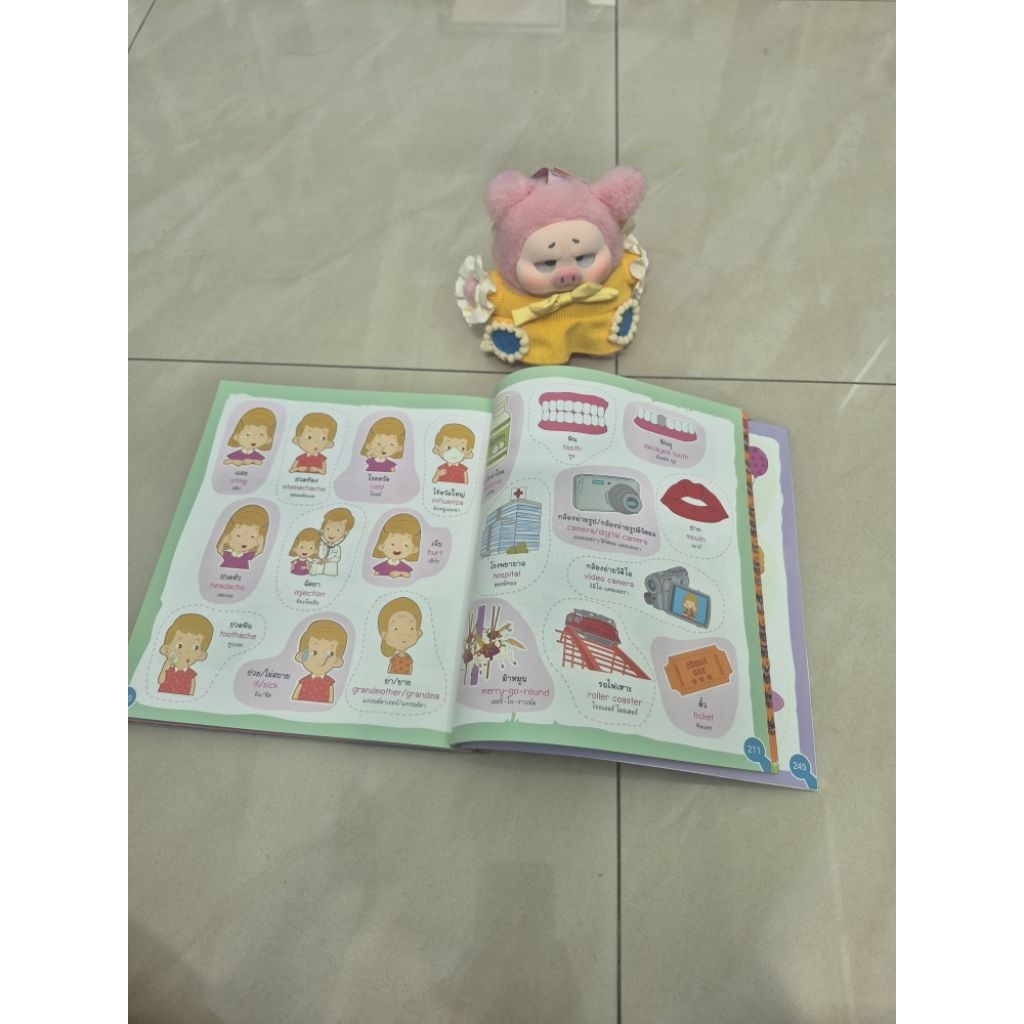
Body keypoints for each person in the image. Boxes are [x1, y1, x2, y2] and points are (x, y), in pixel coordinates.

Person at [291, 619, 348, 703]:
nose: (321, 659)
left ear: (337, 661)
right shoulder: (305, 681)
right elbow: (295, 697)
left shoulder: (329, 682)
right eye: (314, 652)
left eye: (329, 654)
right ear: (301, 655)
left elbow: (330, 700)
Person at [157, 613, 214, 695]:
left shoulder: (190, 675)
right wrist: (168, 663)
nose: (186, 651)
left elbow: (191, 692)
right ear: (166, 649)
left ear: (201, 655)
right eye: (179, 646)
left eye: (195, 647)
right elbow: (161, 681)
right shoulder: (168, 671)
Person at [378, 597, 424, 674]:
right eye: (395, 629)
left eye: (411, 628)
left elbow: (410, 668)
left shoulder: (408, 658)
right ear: (384, 635)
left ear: (418, 633)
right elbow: (390, 667)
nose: (403, 635)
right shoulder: (395, 658)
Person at [216, 504, 270, 569]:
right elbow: (219, 550)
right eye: (238, 535)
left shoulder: (247, 556)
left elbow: (259, 551)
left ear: (258, 540)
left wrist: (261, 543)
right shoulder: (228, 554)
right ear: (228, 534)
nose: (244, 540)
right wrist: (223, 541)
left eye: (252, 537)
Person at [370, 512, 421, 579]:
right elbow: (376, 574)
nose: (398, 547)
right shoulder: (382, 566)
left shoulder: (403, 567)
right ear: (381, 546)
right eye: (392, 544)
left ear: (414, 549)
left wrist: (399, 574)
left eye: (406, 545)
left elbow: (407, 575)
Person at [309, 507, 355, 577]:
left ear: (345, 532)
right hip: (317, 570)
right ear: (322, 530)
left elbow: (337, 558)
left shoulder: (337, 548)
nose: (332, 533)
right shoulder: (319, 545)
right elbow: (316, 554)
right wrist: (319, 559)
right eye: (328, 529)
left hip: (330, 570)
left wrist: (328, 560)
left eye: (338, 530)